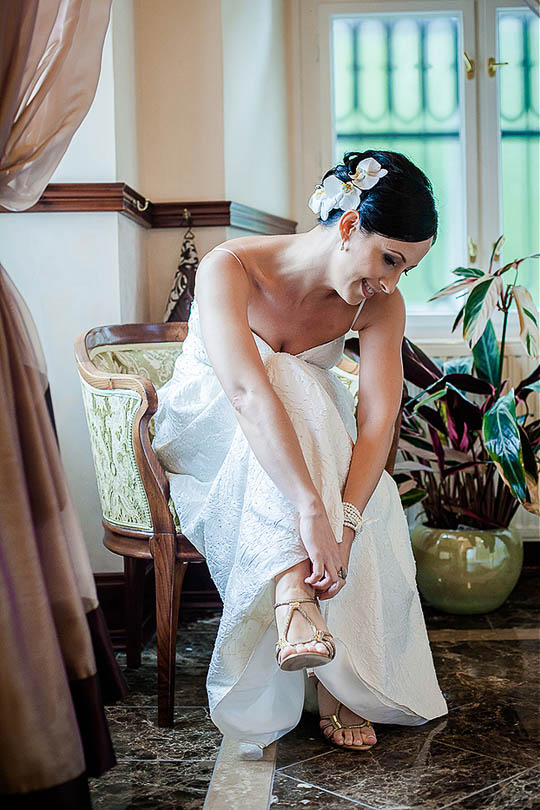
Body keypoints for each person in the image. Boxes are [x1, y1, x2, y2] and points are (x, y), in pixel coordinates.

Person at [152, 150, 449, 754]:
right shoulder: (230, 266)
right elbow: (245, 394)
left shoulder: (379, 304)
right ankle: (314, 630)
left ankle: (303, 612)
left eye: (407, 270)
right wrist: (312, 512)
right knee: (285, 380)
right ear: (348, 225)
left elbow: (377, 421)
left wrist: (346, 520)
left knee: (321, 417)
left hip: (306, 437)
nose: (391, 283)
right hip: (212, 427)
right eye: (389, 259)